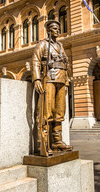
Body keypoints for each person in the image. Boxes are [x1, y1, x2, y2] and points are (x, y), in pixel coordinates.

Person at [32, 20, 73, 155]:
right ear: (49, 30)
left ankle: (57, 141)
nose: (58, 31)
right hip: (48, 79)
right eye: (55, 28)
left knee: (59, 112)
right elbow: (36, 61)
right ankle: (42, 143)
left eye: (58, 28)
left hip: (61, 80)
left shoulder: (60, 46)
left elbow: (66, 63)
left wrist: (67, 79)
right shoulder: (42, 44)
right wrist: (37, 78)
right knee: (46, 112)